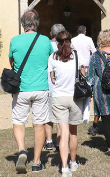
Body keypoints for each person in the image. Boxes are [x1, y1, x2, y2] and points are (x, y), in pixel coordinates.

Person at [10, 9, 55, 173]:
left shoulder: (15, 41)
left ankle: (22, 150)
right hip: (41, 88)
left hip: (21, 88)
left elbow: (12, 62)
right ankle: (36, 161)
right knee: (39, 124)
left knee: (19, 121)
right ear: (37, 23)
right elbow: (52, 61)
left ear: (23, 24)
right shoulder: (45, 41)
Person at [48, 31, 82, 177]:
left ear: (57, 43)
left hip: (59, 97)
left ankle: (64, 167)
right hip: (74, 96)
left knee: (63, 133)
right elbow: (82, 73)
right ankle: (73, 162)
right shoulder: (76, 56)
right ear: (70, 41)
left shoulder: (53, 57)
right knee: (73, 132)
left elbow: (52, 77)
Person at [44, 23, 68, 152]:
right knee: (61, 117)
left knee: (48, 116)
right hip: (62, 87)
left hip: (48, 85)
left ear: (51, 34)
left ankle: (48, 141)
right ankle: (59, 142)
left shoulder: (45, 46)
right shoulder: (67, 47)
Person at [70, 25, 96, 127]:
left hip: (76, 66)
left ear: (77, 31)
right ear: (85, 32)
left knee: (77, 86)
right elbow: (94, 52)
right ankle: (86, 113)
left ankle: (78, 110)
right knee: (87, 89)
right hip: (87, 66)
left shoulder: (73, 40)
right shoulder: (89, 39)